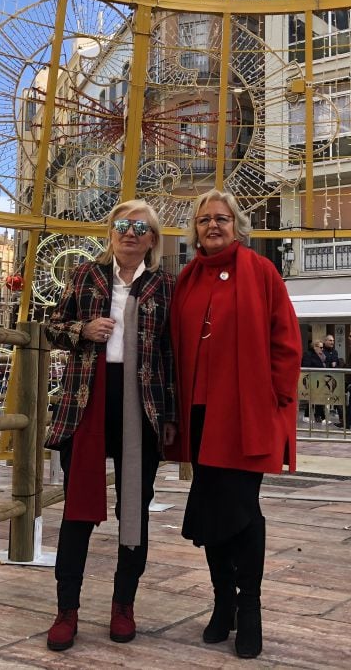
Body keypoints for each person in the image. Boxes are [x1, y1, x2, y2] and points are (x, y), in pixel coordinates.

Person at [165, 189, 301, 660]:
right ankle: (223, 602)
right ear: (195, 230)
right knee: (211, 511)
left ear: (237, 225)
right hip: (200, 417)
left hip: (247, 414)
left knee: (243, 509)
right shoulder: (184, 279)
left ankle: (251, 608)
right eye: (204, 220)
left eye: (221, 218)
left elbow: (285, 339)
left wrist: (277, 399)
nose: (213, 226)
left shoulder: (261, 271)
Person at [43, 199, 177, 651]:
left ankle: (124, 605)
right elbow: (52, 328)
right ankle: (67, 610)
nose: (130, 233)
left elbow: (172, 355)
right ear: (112, 232)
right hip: (87, 401)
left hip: (143, 406)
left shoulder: (164, 286)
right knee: (76, 510)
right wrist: (83, 329)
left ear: (152, 240)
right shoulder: (85, 275)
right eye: (123, 225)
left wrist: (172, 416)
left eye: (141, 227)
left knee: (133, 514)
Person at [301, 339, 327, 423]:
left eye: (323, 348)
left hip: (320, 379)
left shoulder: (322, 355)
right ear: (315, 347)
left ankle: (320, 416)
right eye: (321, 347)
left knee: (318, 398)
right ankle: (307, 415)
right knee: (312, 398)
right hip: (312, 379)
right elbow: (306, 365)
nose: (322, 349)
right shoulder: (308, 354)